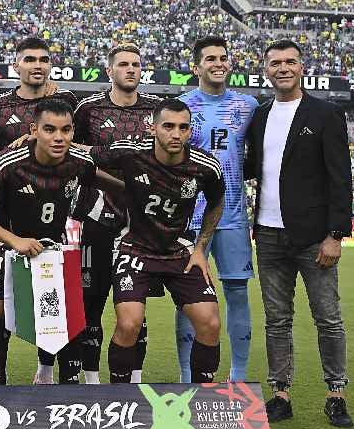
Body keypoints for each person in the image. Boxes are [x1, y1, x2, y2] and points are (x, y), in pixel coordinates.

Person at [244, 39, 354, 428]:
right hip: (268, 234)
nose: (283, 68)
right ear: (266, 70)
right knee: (277, 320)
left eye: (290, 61)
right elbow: (252, 167)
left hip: (313, 237)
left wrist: (336, 234)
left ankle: (336, 394)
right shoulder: (259, 115)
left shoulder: (326, 113)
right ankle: (280, 395)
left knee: (328, 318)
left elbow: (340, 177)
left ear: (301, 67)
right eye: (275, 63)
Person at [89, 98, 225, 385]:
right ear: (152, 128)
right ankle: (119, 395)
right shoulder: (130, 153)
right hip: (134, 247)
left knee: (210, 322)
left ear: (190, 131)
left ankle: (201, 395)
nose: (176, 134)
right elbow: (84, 155)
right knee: (129, 324)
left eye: (183, 128)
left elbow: (216, 202)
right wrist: (34, 139)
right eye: (168, 126)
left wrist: (201, 248)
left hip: (180, 250)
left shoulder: (205, 166)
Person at [0, 98, 98, 386]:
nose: (59, 137)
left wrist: (80, 216)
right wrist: (15, 240)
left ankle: (68, 391)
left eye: (66, 130)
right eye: (50, 129)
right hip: (5, 245)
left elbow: (93, 187)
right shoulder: (10, 161)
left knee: (65, 319)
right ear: (34, 130)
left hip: (52, 248)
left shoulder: (81, 162)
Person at [0, 37, 78, 384]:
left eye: (43, 59)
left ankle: (46, 372)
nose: (37, 65)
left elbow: (79, 152)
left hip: (52, 222)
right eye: (29, 59)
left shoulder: (66, 102)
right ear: (16, 65)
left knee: (51, 310)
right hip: (8, 219)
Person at [71, 42, 160, 384]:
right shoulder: (88, 109)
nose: (131, 69)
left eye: (136, 64)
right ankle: (92, 383)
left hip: (141, 224)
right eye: (123, 64)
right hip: (96, 219)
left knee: (136, 307)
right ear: (110, 71)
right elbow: (73, 153)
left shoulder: (156, 109)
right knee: (90, 302)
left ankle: (134, 381)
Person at [176, 36, 259, 383]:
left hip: (232, 215)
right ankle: (187, 377)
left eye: (223, 58)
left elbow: (258, 156)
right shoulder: (181, 106)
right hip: (189, 217)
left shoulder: (248, 106)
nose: (218, 63)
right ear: (196, 67)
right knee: (187, 297)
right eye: (210, 59)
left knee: (237, 293)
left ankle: (237, 377)